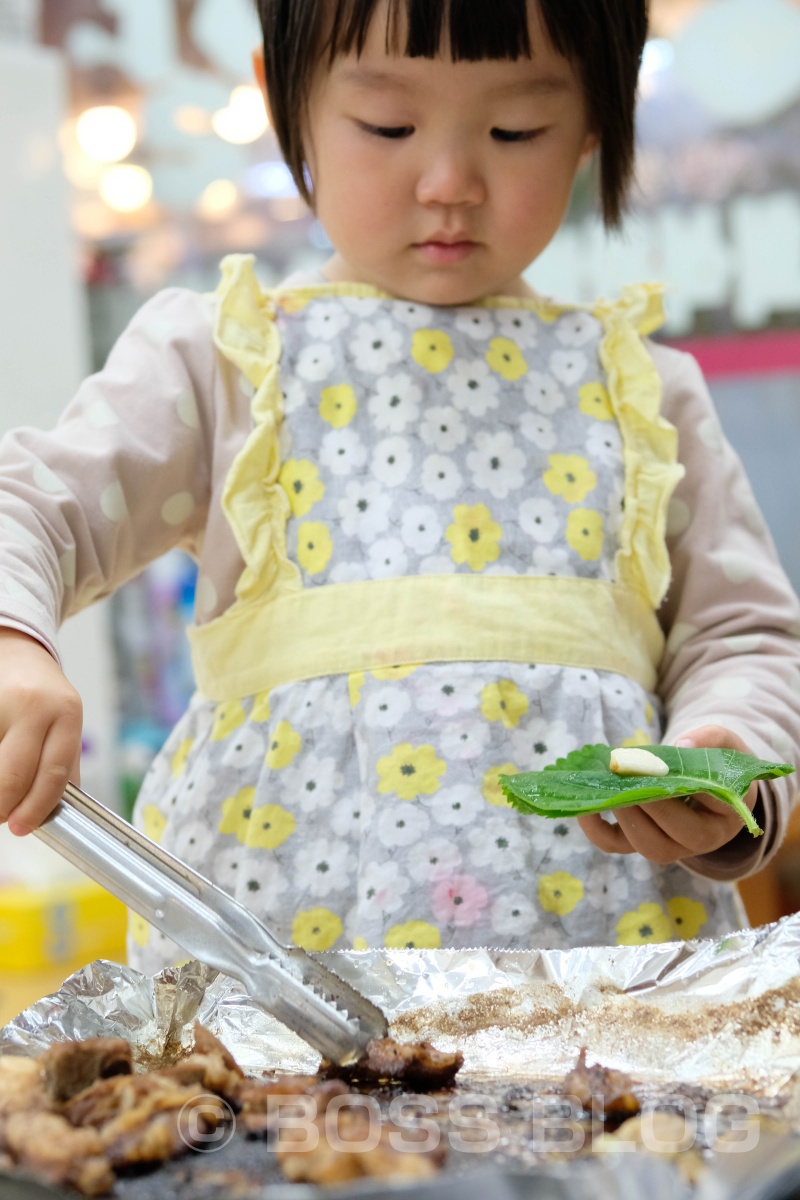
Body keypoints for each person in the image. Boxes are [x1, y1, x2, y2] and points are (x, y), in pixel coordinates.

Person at [1, 0, 799, 974]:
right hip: (287, 990)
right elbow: (34, 507)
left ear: (593, 119)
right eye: (387, 125)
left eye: (515, 129)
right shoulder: (225, 360)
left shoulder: (642, 393)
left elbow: (739, 635)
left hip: (607, 983)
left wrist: (720, 760)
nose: (449, 181)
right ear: (283, 103)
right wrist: (14, 641)